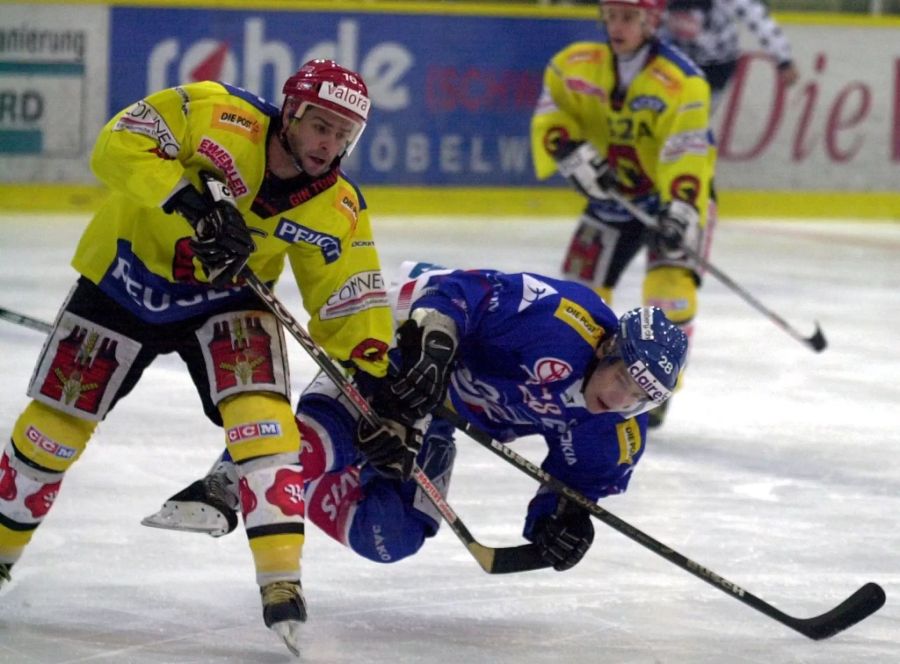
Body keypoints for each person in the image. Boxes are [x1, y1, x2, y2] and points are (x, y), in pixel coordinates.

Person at [0, 59, 395, 656]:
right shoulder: (214, 111)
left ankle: (281, 580)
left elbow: (350, 302)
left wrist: (378, 383)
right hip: (124, 278)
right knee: (53, 428)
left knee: (265, 426)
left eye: (344, 134)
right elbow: (117, 145)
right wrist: (190, 202)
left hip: (231, 300)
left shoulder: (336, 206)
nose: (328, 144)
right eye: (320, 125)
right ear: (290, 111)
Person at [143, 263, 689, 585]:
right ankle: (234, 479)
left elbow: (574, 488)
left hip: (445, 406)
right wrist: (433, 353)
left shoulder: (614, 433)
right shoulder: (560, 322)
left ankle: (330, 469)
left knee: (388, 538)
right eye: (622, 378)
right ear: (609, 348)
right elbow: (460, 291)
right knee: (326, 441)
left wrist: (558, 527)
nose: (619, 399)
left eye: (639, 398)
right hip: (408, 339)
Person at [530, 0, 715, 427]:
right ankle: (584, 370)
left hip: (673, 202)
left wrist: (682, 210)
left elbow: (688, 149)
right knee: (578, 291)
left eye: (629, 16)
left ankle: (658, 382)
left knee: (670, 292)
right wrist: (566, 146)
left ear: (651, 21)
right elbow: (553, 110)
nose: (617, 25)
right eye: (611, 14)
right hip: (610, 201)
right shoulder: (572, 65)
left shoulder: (684, 80)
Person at [659, 0, 799, 114]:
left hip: (715, 66)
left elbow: (757, 18)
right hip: (673, 61)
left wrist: (784, 59)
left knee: (693, 116)